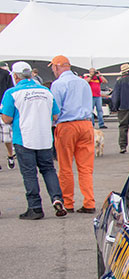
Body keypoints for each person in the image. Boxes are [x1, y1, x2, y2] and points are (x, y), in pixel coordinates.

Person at [1, 62, 66, 220]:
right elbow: (55, 115)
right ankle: (57, 198)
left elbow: (6, 118)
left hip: (24, 137)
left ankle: (35, 207)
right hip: (44, 137)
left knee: (29, 173)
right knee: (48, 169)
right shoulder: (45, 91)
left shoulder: (12, 92)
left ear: (15, 76)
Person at [49, 55, 95, 214]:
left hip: (67, 125)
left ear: (56, 67)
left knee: (65, 166)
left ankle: (68, 202)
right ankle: (89, 201)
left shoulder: (58, 84)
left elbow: (56, 110)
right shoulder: (83, 82)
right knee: (86, 167)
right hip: (86, 124)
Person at [0, 61, 15, 169]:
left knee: (7, 138)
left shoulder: (5, 74)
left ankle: (10, 155)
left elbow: (11, 90)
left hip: (4, 109)